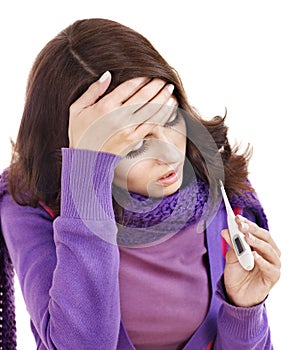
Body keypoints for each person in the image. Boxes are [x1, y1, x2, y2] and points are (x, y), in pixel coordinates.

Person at [0, 18, 281, 350]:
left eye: (170, 118)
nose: (171, 155)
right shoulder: (29, 206)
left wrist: (244, 311)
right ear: (76, 151)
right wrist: (87, 180)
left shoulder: (221, 192)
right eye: (135, 144)